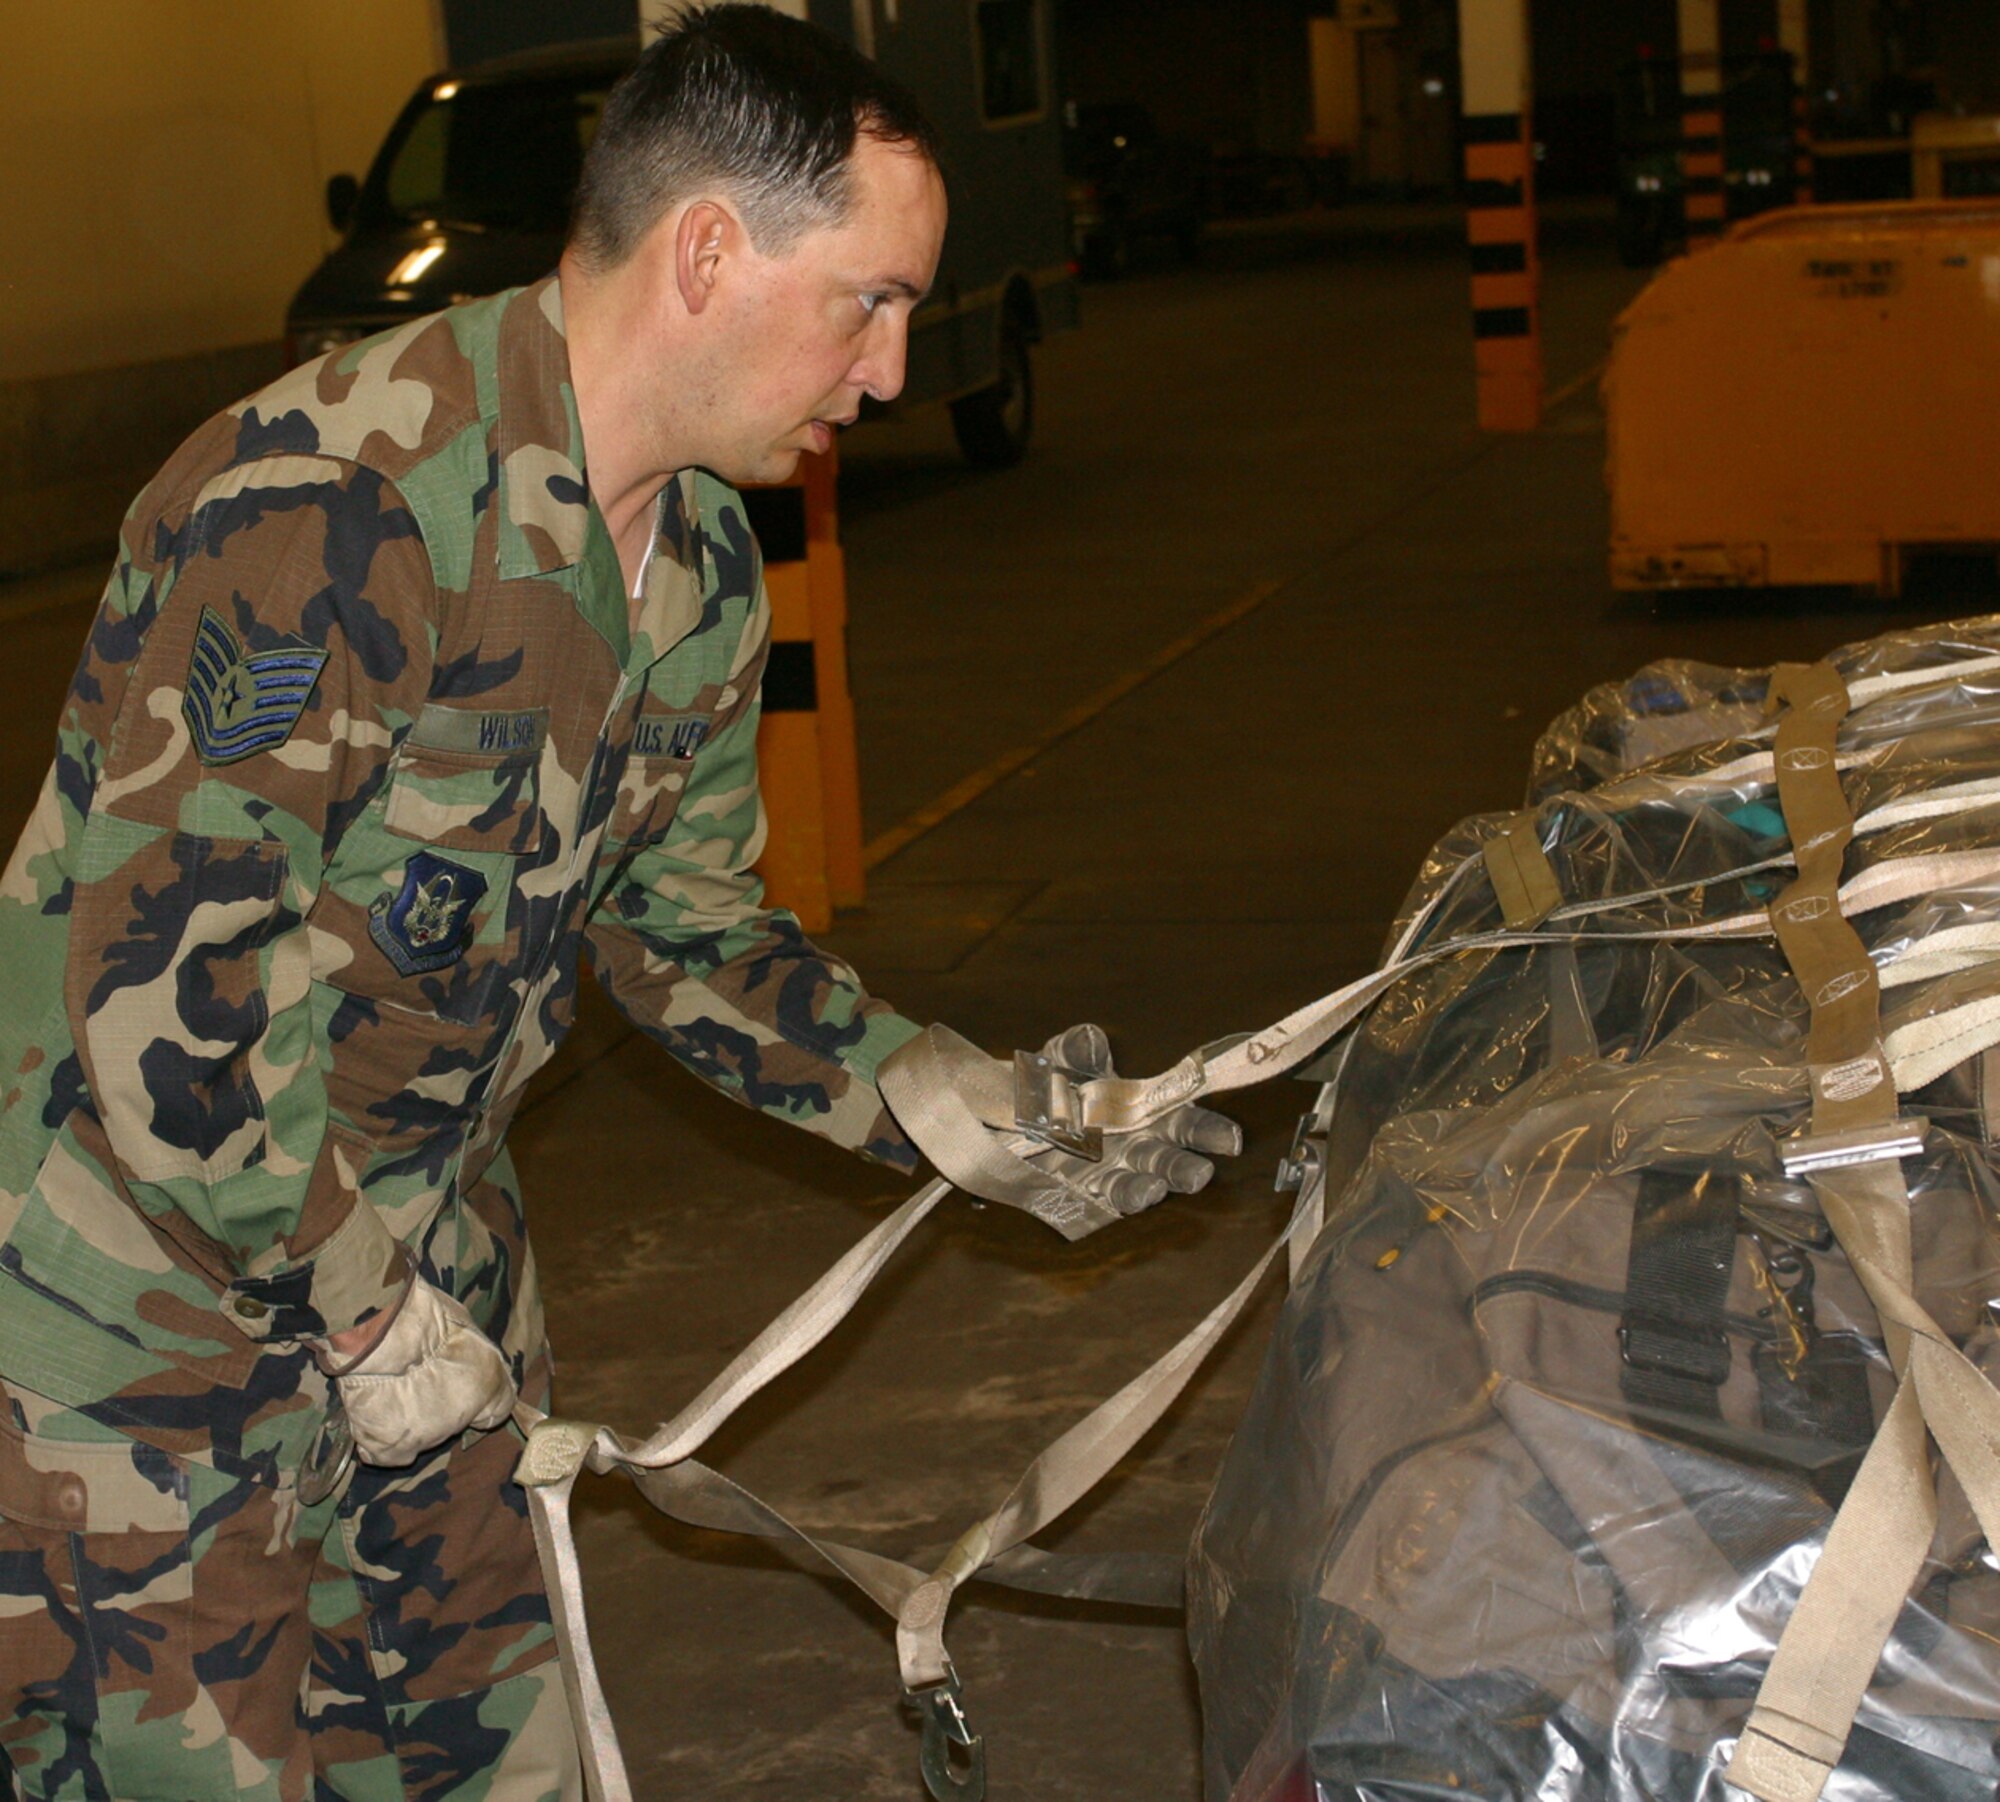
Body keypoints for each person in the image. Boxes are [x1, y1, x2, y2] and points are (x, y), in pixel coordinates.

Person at [0, 7, 1236, 1797]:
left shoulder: (706, 565)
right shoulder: (337, 502)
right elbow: (169, 992)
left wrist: (928, 1092)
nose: (889, 373)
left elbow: (686, 935)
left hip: (427, 1305)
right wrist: (356, 1310)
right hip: (143, 1347)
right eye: (869, 302)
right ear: (710, 251)